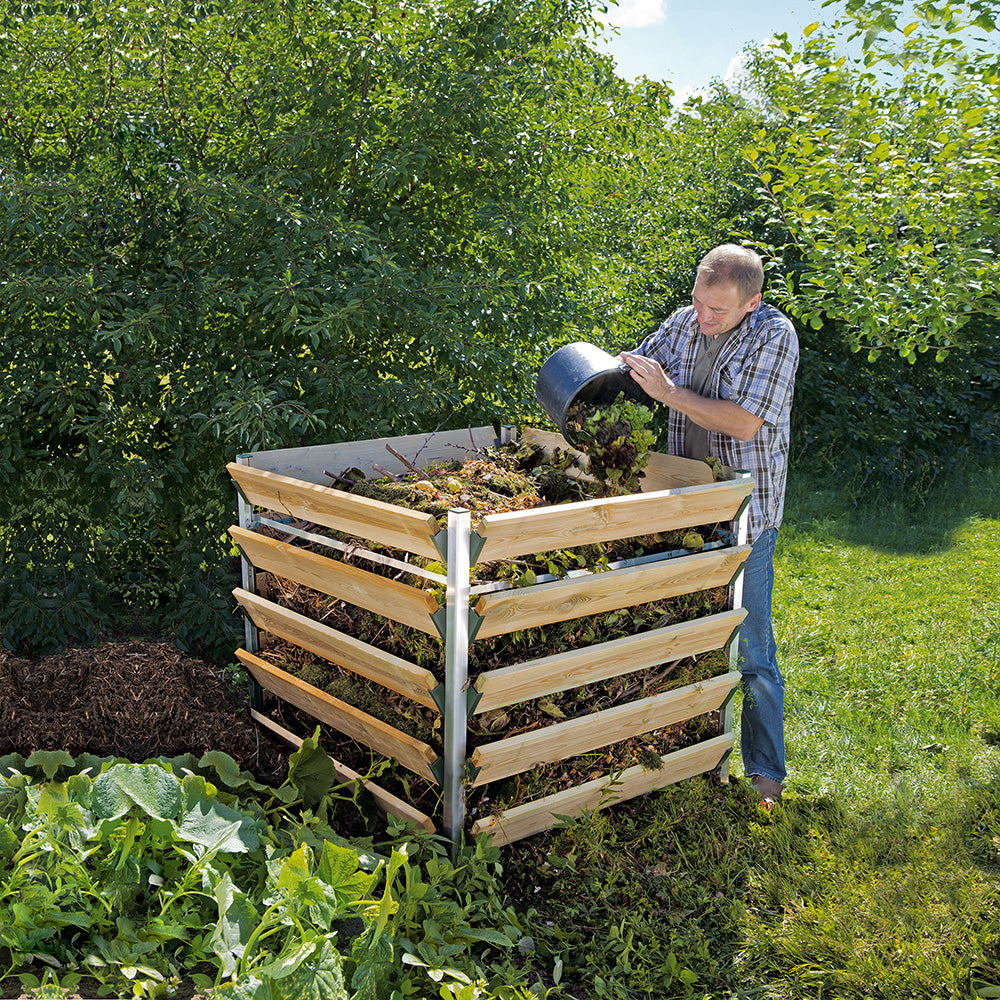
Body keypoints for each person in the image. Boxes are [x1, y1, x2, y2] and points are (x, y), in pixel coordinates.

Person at [619, 244, 798, 807]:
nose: (704, 318)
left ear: (752, 303)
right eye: (699, 303)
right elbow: (634, 373)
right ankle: (695, 759)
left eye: (718, 311)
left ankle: (765, 775)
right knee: (685, 632)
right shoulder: (685, 321)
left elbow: (744, 423)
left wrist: (669, 393)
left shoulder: (774, 335)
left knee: (752, 645)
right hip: (687, 506)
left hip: (745, 512)